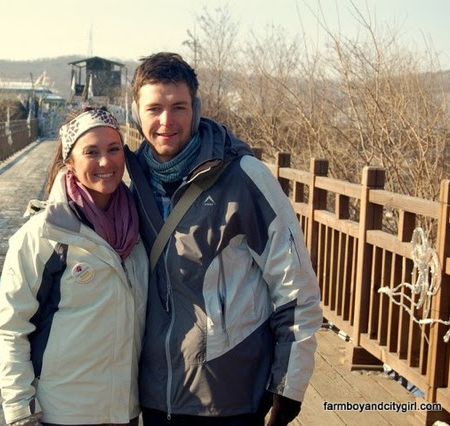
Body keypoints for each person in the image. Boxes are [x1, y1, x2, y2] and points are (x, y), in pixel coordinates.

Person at [124, 52, 323, 425]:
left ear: (196, 109)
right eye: (154, 109)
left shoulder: (244, 177)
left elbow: (296, 289)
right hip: (154, 393)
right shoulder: (129, 182)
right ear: (136, 112)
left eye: (178, 107)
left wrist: (289, 385)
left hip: (229, 395)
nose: (166, 121)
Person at [0, 108, 148, 425]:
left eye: (113, 149)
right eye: (91, 152)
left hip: (124, 410)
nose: (105, 162)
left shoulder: (139, 226)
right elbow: (11, 327)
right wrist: (20, 408)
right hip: (62, 412)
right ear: (70, 162)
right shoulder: (44, 234)